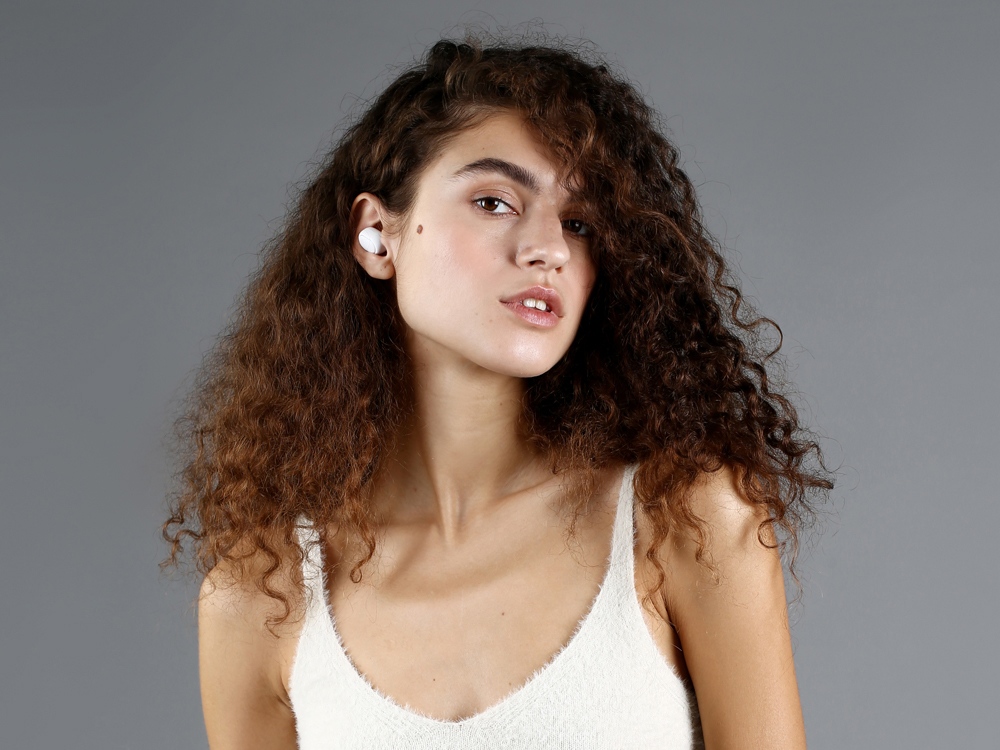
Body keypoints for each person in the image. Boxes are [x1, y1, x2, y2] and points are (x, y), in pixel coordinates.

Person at [162, 32, 833, 749]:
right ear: (377, 234)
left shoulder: (684, 517)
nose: (548, 247)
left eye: (579, 223)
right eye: (494, 201)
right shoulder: (260, 594)